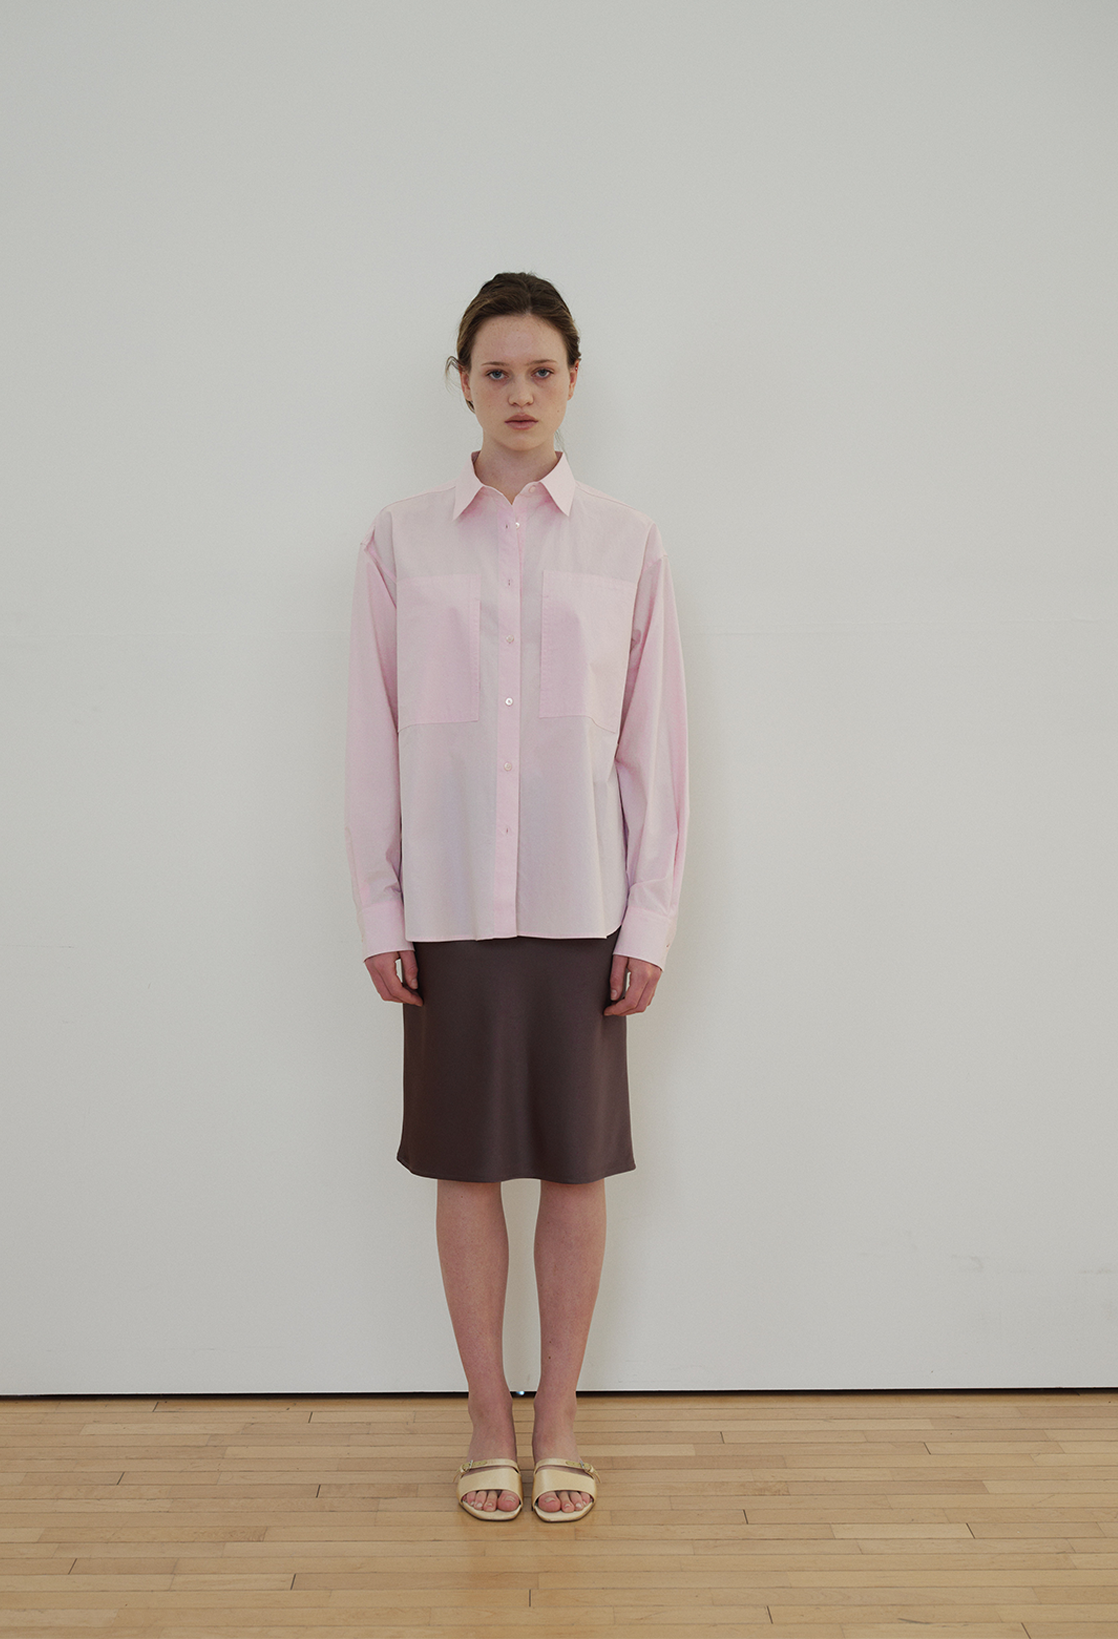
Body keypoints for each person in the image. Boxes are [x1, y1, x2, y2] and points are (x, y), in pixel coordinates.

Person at [344, 272, 688, 1522]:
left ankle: (561, 1424)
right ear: (463, 384)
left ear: (574, 379)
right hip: (448, 905)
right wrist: (380, 907)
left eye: (542, 370)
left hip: (581, 901)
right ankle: (487, 1421)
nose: (521, 392)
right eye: (497, 371)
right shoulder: (400, 541)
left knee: (577, 1170)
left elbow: (655, 748)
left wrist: (649, 917)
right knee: (468, 1167)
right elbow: (372, 735)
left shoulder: (627, 543)